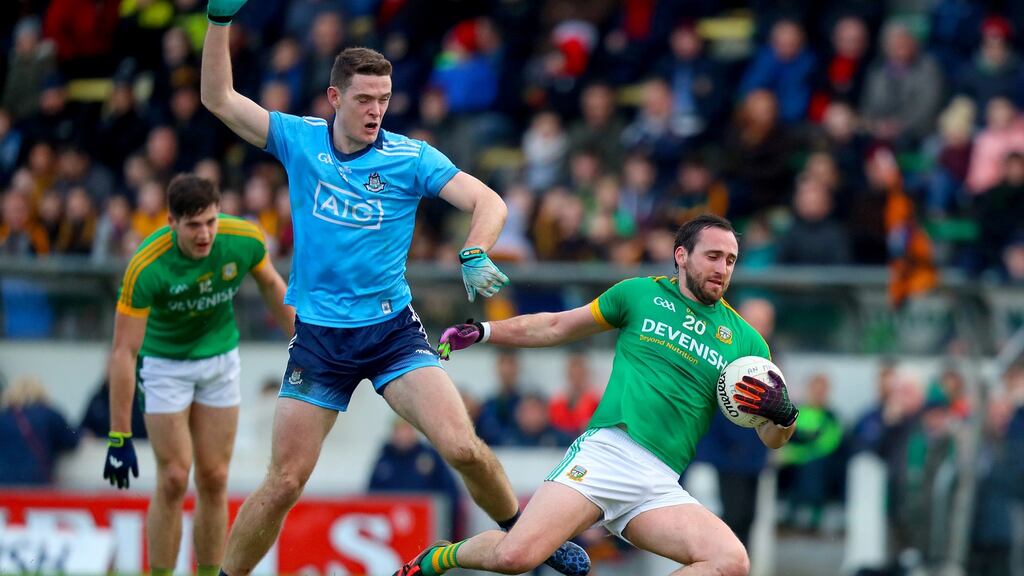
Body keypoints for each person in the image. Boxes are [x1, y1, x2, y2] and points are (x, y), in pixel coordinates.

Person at [198, 2, 589, 575]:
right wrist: (218, 23)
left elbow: (488, 200)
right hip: (320, 339)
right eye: (364, 99)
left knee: (462, 446)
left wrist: (475, 249)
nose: (375, 110)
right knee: (283, 482)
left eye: (383, 98)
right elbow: (218, 99)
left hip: (391, 333)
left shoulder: (409, 157)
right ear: (334, 98)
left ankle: (530, 537)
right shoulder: (298, 140)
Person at [396, 214, 799, 576]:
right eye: (713, 256)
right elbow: (556, 326)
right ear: (681, 255)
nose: (722, 268)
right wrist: (485, 331)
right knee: (514, 557)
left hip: (660, 482)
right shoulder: (638, 295)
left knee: (731, 561)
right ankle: (439, 558)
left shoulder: (747, 343)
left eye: (730, 260)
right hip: (607, 454)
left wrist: (783, 416)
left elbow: (772, 437)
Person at [103, 173, 294, 576]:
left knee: (214, 477)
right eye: (193, 225)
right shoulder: (145, 266)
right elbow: (123, 352)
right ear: (171, 223)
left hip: (219, 361)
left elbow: (272, 286)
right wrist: (119, 435)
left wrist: (308, 345)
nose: (205, 234)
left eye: (211, 221)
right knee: (174, 478)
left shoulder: (243, 239)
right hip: (164, 366)